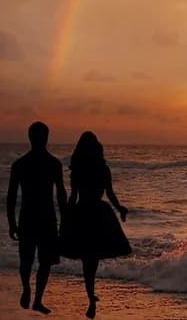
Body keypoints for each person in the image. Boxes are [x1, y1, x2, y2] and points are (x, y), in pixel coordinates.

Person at [61, 131, 130, 319]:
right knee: (94, 257)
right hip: (100, 213)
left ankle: (90, 296)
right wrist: (119, 208)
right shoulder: (102, 167)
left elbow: (73, 196)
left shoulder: (78, 168)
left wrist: (66, 214)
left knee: (86, 258)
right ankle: (91, 296)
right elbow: (110, 194)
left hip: (81, 212)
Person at [6, 120, 67, 315]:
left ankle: (32, 293)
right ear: (46, 138)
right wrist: (65, 220)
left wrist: (12, 222)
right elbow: (61, 196)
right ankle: (34, 295)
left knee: (30, 261)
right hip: (46, 219)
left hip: (29, 218)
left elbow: (11, 197)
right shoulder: (53, 164)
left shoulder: (20, 164)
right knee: (41, 262)